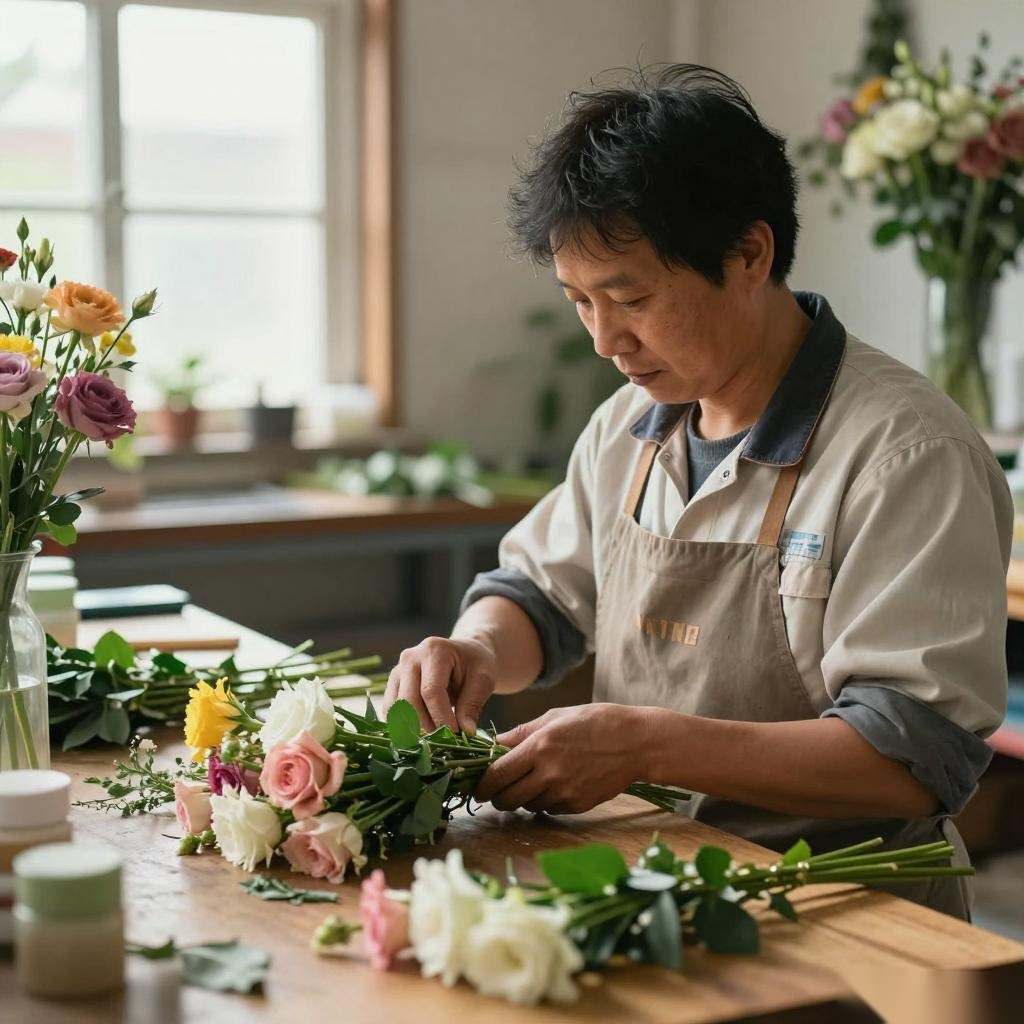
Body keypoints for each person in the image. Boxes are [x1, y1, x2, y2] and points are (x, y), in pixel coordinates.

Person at [383, 65, 1012, 918]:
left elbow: (908, 760)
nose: (607, 339)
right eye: (579, 303)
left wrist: (646, 743)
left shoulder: (905, 452)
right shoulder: (629, 425)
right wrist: (478, 650)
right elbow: (541, 595)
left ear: (748, 255)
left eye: (630, 297)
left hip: (839, 902)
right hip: (655, 883)